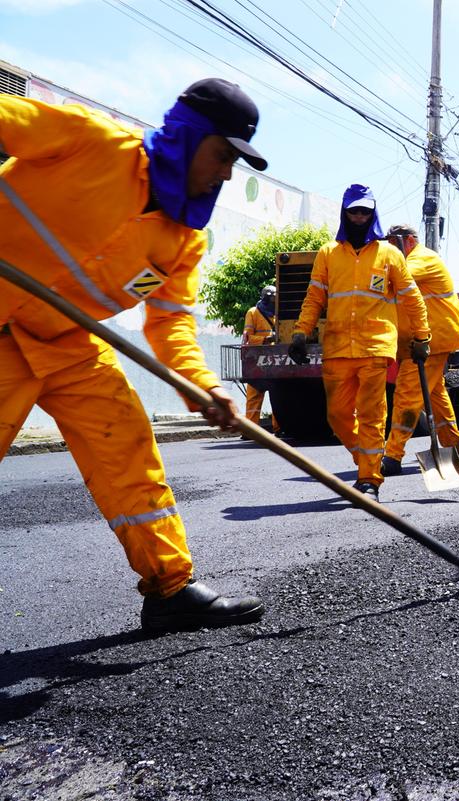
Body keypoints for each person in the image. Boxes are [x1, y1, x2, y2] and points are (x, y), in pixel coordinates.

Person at [0, 78, 267, 631]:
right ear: (188, 138)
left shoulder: (181, 241)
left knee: (126, 447)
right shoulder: (90, 142)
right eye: (222, 156)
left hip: (66, 343)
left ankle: (170, 587)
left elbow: (170, 323)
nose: (224, 174)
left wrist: (204, 385)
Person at [289, 186, 430, 498]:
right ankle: (368, 458)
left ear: (373, 213)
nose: (359, 216)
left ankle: (369, 479)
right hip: (337, 347)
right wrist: (301, 332)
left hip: (375, 347)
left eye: (365, 211)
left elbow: (412, 298)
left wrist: (422, 336)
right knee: (337, 416)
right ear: (345, 212)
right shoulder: (328, 254)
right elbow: (314, 297)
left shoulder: (389, 255)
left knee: (371, 413)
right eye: (354, 211)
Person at [380, 224, 459, 476]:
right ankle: (457, 447)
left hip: (432, 341)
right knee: (436, 395)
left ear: (409, 240)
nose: (388, 246)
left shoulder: (422, 259)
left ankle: (393, 455)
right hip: (421, 342)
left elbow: (395, 278)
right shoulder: (409, 258)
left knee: (407, 395)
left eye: (392, 241)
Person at [241, 283, 277, 434]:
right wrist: (267, 339)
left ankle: (279, 428)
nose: (275, 302)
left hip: (275, 359)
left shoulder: (278, 313)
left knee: (278, 396)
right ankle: (250, 430)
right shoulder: (253, 312)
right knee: (254, 396)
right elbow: (248, 337)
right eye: (273, 299)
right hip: (257, 359)